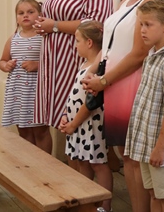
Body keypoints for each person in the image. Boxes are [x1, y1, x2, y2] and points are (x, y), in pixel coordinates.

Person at [82, 0, 159, 212]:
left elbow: (138, 54)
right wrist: (92, 69)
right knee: (125, 154)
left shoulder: (151, 2)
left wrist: (104, 81)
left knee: (135, 156)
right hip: (115, 82)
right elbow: (111, 43)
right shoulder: (126, 0)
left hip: (133, 83)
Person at [34, 0, 113, 154]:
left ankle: (87, 167)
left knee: (73, 118)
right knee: (47, 120)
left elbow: (96, 23)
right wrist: (43, 24)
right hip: (52, 60)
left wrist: (54, 26)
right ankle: (47, 169)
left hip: (73, 59)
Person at [125, 0, 164, 212]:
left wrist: (160, 148)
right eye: (141, 24)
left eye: (148, 24)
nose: (142, 30)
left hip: (161, 146)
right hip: (147, 141)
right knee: (153, 192)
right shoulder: (152, 57)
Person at [59, 21, 112, 212]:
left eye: (77, 40)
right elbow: (74, 93)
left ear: (89, 42)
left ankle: (105, 206)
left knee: (98, 163)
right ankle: (85, 201)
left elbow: (88, 103)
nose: (75, 45)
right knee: (82, 162)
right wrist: (66, 114)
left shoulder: (96, 68)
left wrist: (74, 123)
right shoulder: (84, 64)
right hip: (77, 123)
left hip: (90, 123)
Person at [0, 0, 47, 149]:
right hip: (18, 92)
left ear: (40, 15)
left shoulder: (44, 37)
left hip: (36, 92)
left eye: (30, 12)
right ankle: (29, 160)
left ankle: (44, 161)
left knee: (40, 130)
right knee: (24, 130)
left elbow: (54, 63)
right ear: (17, 18)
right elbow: (2, 60)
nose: (25, 15)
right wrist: (6, 65)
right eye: (21, 13)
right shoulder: (13, 38)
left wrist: (37, 65)